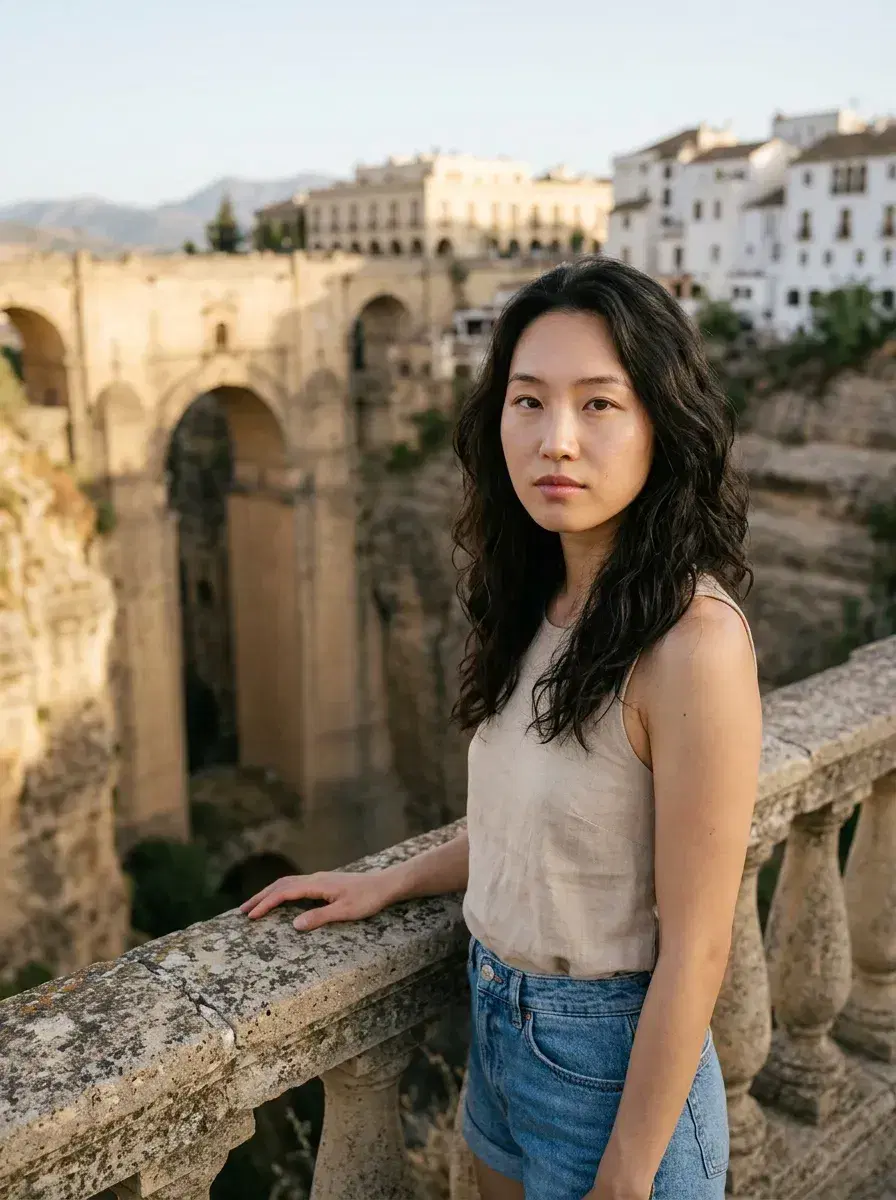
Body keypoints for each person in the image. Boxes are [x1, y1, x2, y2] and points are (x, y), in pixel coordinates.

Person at [240, 256, 762, 1199]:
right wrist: (387, 881)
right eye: (529, 401)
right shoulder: (542, 600)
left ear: (661, 425)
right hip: (498, 1038)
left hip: (613, 1072)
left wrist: (628, 1177)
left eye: (599, 404)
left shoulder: (694, 643)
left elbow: (700, 947)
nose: (556, 439)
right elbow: (534, 832)